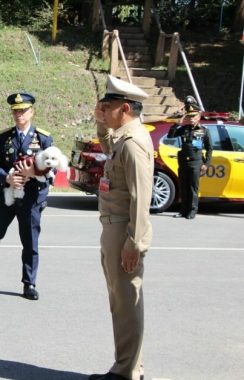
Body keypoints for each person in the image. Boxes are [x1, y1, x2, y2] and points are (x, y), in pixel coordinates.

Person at [90, 75, 154, 380]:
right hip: (114, 228)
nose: (104, 109)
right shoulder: (124, 136)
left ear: (124, 108)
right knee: (121, 301)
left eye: (109, 106)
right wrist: (102, 122)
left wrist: (134, 243)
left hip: (123, 232)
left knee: (126, 304)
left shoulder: (133, 143)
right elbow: (107, 145)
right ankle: (129, 368)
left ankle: (126, 372)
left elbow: (142, 198)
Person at [0, 93, 53, 301]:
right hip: (6, 196)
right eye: (15, 111)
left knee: (30, 243)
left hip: (31, 198)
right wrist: (8, 178)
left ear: (32, 112)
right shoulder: (5, 137)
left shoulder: (43, 138)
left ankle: (29, 283)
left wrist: (34, 174)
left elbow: (52, 170)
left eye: (23, 110)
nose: (19, 114)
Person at [166, 96, 212, 220]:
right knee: (184, 187)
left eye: (194, 116)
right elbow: (170, 135)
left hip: (196, 162)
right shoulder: (184, 129)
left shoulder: (204, 131)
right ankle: (183, 211)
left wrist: (205, 164)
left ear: (199, 117)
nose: (191, 119)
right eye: (189, 116)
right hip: (183, 161)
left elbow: (209, 148)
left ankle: (192, 211)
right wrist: (177, 122)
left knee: (193, 188)